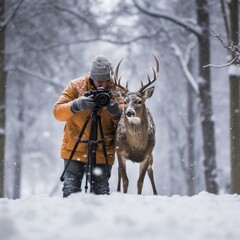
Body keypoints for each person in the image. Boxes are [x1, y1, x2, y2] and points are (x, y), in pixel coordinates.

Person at [53, 55, 122, 197]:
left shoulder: (118, 91)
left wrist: (117, 113)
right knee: (71, 192)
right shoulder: (76, 86)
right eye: (99, 81)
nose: (103, 85)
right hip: (75, 147)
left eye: (107, 81)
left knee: (101, 194)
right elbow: (57, 112)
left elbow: (128, 126)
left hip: (103, 149)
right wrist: (76, 105)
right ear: (91, 78)